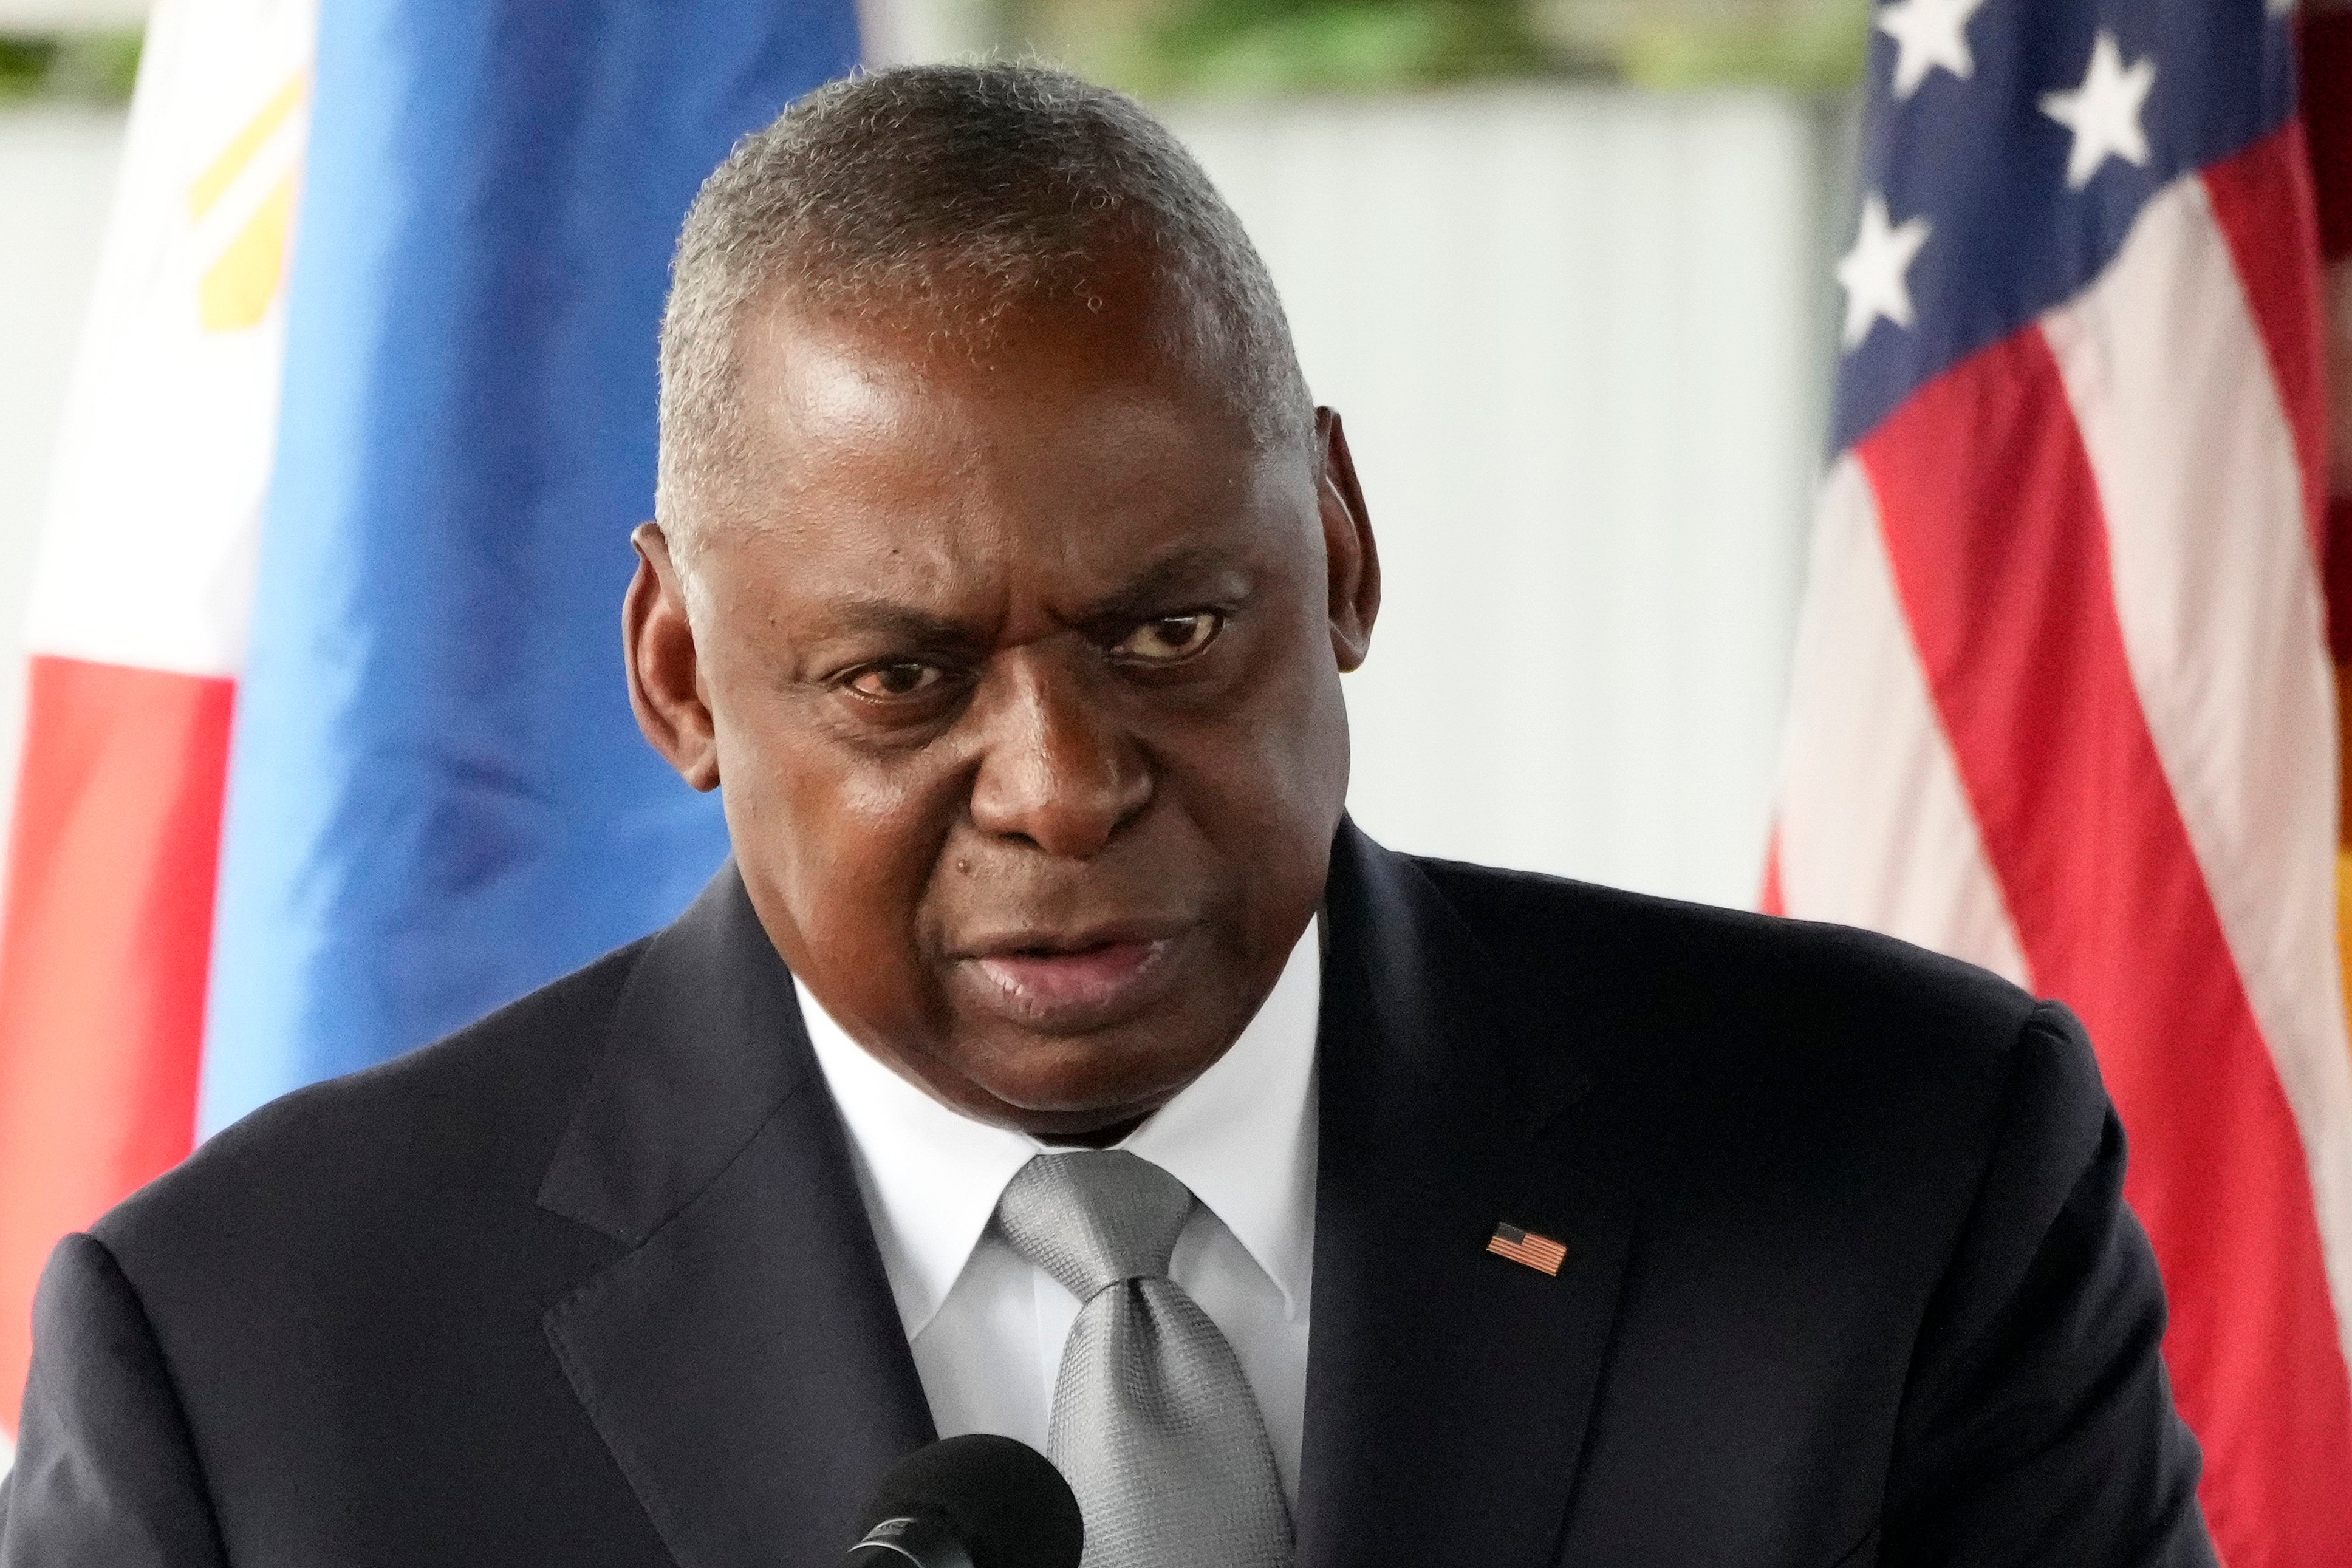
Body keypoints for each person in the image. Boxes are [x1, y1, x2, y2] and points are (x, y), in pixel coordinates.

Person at [0, 64, 2212, 1568]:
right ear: (679, 672)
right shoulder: (255, 1371)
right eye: (903, 682)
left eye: (1167, 636)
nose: (1064, 789)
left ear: (1338, 548)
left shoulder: (1908, 1168)